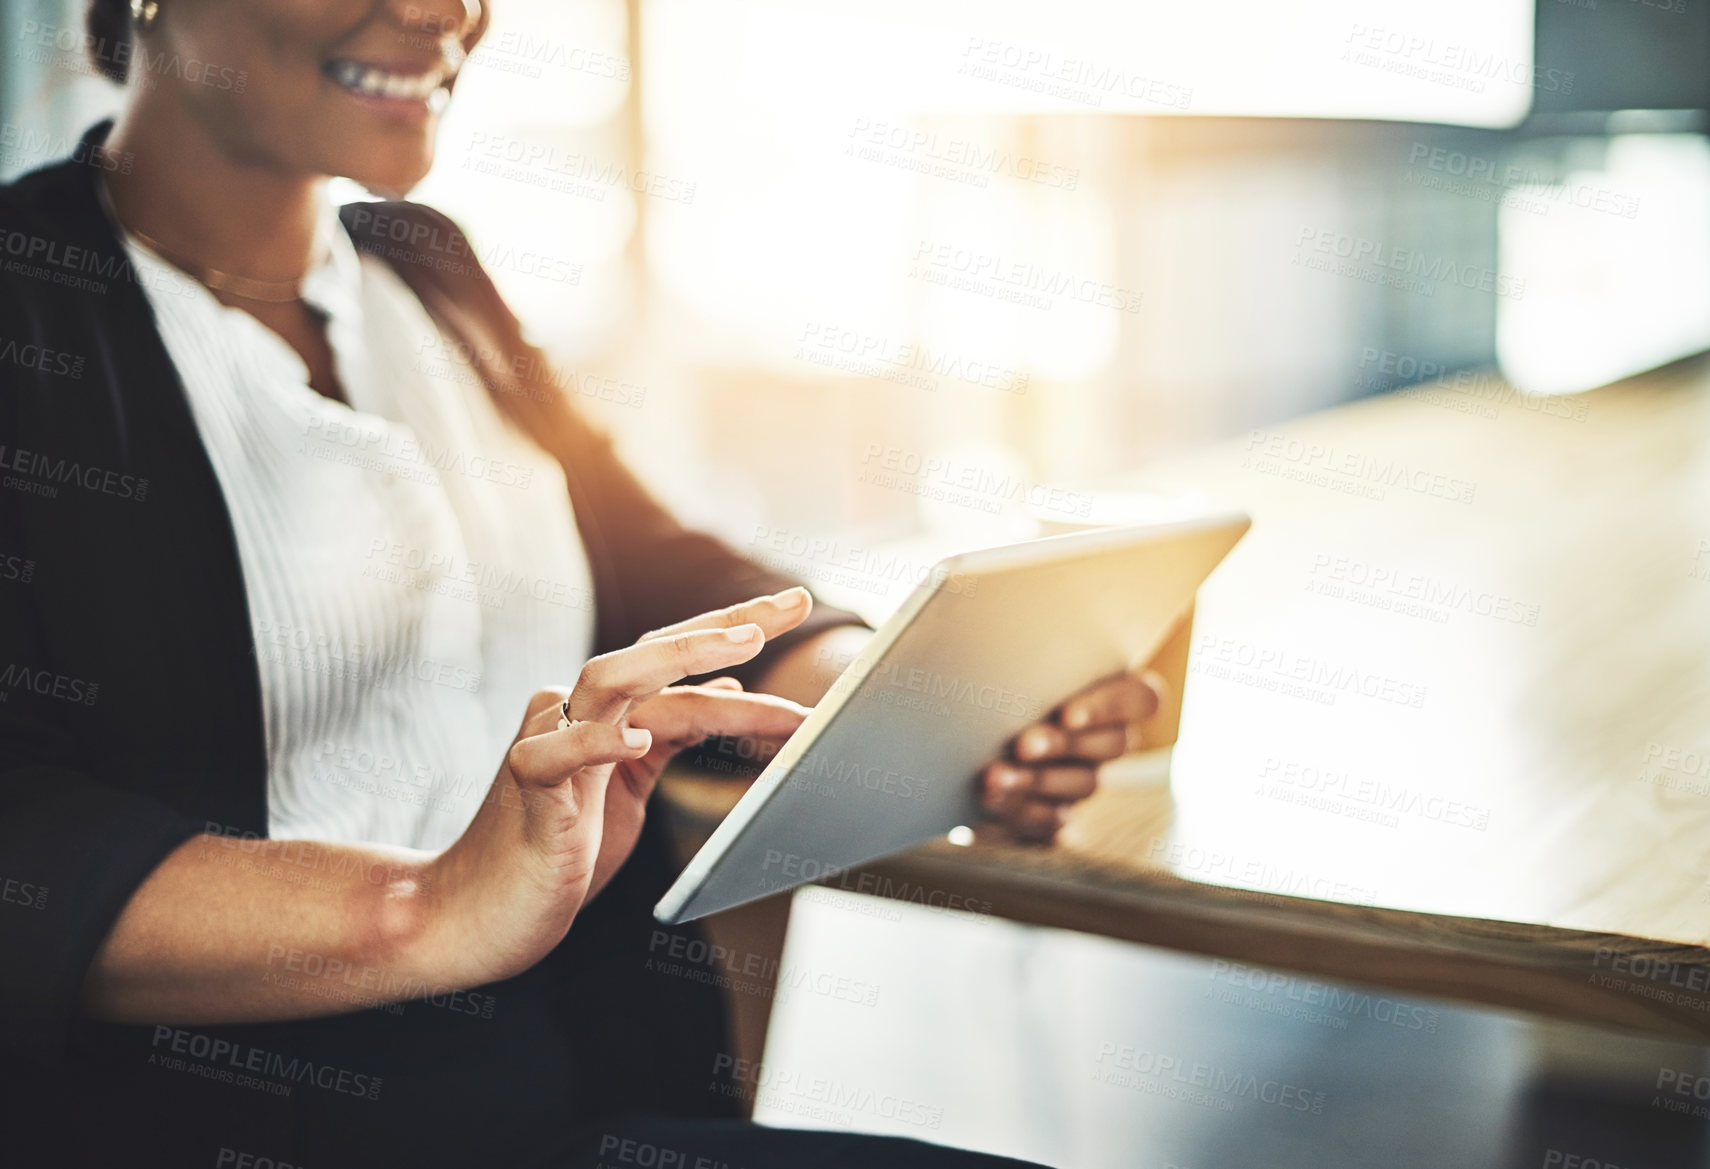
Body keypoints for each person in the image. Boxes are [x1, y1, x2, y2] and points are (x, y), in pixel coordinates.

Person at [0, 1, 1162, 1165]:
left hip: (589, 1077)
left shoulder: (421, 261)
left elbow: (644, 566)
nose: (442, 11)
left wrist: (910, 697)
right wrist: (429, 904)